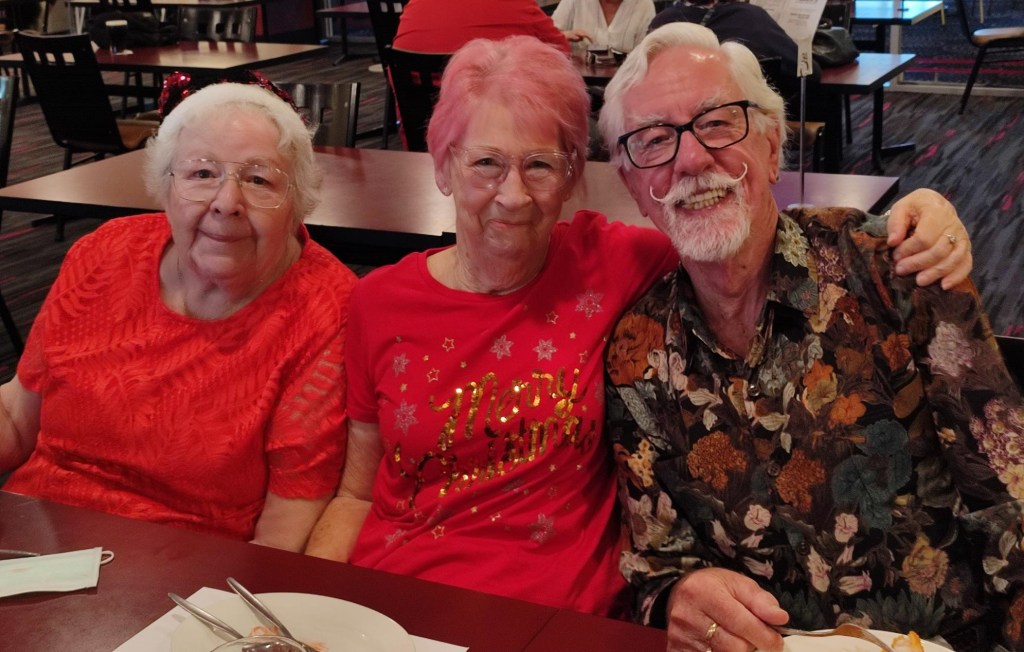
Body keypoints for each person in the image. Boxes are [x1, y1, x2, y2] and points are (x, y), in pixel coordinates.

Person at [304, 33, 972, 617]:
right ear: (443, 165)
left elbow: (741, 228)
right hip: (393, 608)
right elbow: (357, 493)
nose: (512, 194)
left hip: (557, 620)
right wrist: (309, 610)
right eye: (485, 163)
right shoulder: (379, 302)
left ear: (573, 176)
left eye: (539, 165)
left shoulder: (611, 264)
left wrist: (914, 215)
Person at [600, 22, 1024, 651]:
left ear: (774, 147)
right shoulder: (636, 354)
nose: (690, 159)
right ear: (636, 188)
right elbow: (657, 568)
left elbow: (1011, 505)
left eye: (717, 122)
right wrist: (678, 598)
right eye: (655, 140)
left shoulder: (893, 270)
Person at [0, 79, 356, 552]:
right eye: (201, 173)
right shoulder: (104, 252)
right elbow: (17, 418)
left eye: (259, 180)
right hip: (29, 546)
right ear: (165, 188)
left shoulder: (326, 311)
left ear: (297, 204)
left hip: (181, 573)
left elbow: (285, 532)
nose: (226, 202)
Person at [650, 0, 822, 121]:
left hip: (673, 128)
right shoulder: (752, 18)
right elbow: (809, 73)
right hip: (745, 125)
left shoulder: (661, 24)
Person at [392, 0, 569, 54]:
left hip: (421, 131)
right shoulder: (517, 5)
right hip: (501, 130)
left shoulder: (414, 6)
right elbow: (562, 52)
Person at [552, 0, 656, 53]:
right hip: (577, 80)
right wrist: (564, 35)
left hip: (625, 83)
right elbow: (548, 37)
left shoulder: (644, 5)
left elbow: (644, 57)